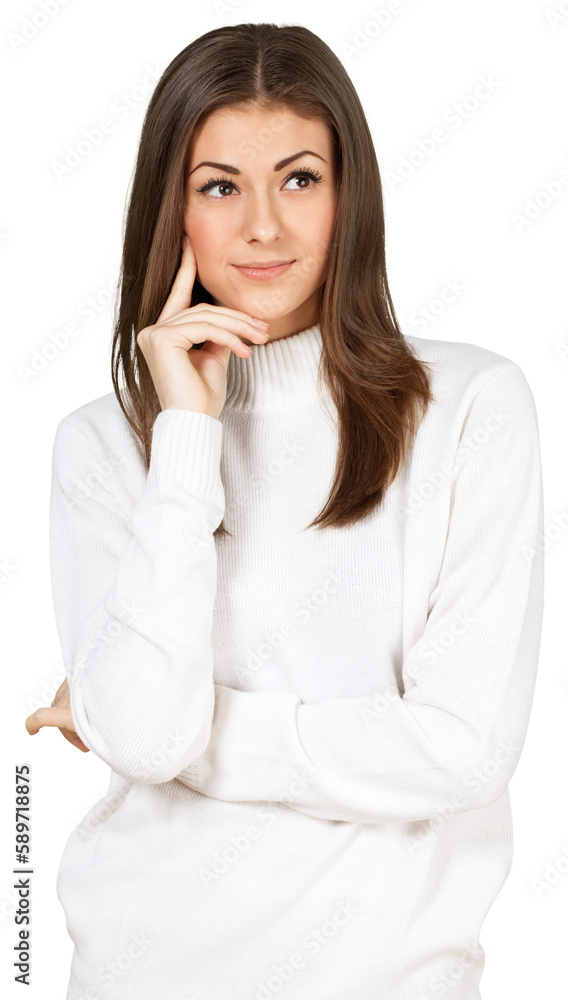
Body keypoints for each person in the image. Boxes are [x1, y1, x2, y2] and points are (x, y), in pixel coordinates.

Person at [25, 22, 544, 1000]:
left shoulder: (470, 405)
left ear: (350, 196)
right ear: (170, 208)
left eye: (299, 178)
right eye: (220, 185)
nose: (263, 226)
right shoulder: (103, 443)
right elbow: (144, 742)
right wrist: (186, 433)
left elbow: (462, 749)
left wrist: (178, 723)